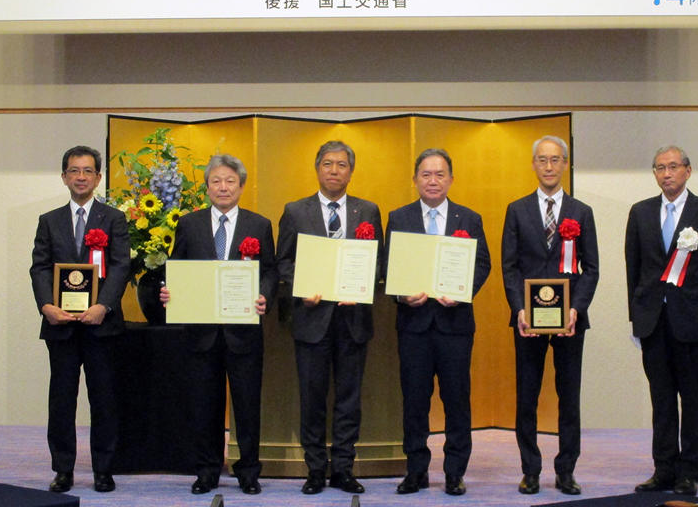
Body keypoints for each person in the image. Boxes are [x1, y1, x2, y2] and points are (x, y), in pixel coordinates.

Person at [159, 154, 277, 495]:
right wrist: (170, 292)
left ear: (241, 186)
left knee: (247, 405)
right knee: (204, 404)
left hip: (244, 332)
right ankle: (207, 470)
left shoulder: (259, 225)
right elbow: (177, 268)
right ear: (207, 187)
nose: (223, 187)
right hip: (201, 333)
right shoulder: (189, 224)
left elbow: (268, 270)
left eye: (230, 181)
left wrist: (264, 296)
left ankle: (248, 471)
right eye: (216, 181)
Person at [275, 140, 384, 495]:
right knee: (313, 397)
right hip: (312, 319)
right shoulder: (295, 211)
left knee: (349, 399)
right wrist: (300, 287)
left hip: (353, 321)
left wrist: (362, 284)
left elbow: (377, 261)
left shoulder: (368, 211)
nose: (334, 170)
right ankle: (315, 470)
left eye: (341, 165)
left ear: (351, 171)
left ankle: (343, 469)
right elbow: (284, 262)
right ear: (317, 168)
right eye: (327, 164)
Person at [625, 146, 698, 497]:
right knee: (662, 400)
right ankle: (664, 470)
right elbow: (634, 270)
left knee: (692, 399)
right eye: (659, 168)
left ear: (688, 170)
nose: (666, 174)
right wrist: (635, 319)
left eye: (673, 167)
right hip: (653, 322)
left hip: (693, 322)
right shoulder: (639, 213)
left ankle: (689, 473)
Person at [385, 148, 491, 497]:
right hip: (413, 325)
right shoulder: (398, 217)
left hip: (454, 325)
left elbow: (482, 264)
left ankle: (454, 472)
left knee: (457, 400)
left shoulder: (469, 218)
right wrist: (401, 294)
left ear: (451, 179)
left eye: (440, 174)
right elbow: (388, 267)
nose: (433, 180)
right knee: (414, 401)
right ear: (414, 179)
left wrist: (461, 292)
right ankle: (415, 471)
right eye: (426, 174)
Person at [501, 135, 599, 496]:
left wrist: (576, 308)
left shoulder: (581, 212)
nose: (548, 166)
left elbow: (591, 268)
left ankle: (566, 470)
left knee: (568, 396)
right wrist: (520, 308)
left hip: (570, 322)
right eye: (542, 159)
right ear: (533, 164)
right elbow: (509, 267)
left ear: (565, 164)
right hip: (528, 321)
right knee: (526, 396)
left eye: (555, 160)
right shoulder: (517, 209)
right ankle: (530, 470)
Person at [29, 145, 130, 493]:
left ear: (98, 177)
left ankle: (103, 469)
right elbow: (39, 267)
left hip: (101, 325)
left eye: (88, 171)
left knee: (103, 399)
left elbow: (120, 266)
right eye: (74, 171)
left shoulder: (114, 219)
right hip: (60, 326)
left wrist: (103, 305)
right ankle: (63, 470)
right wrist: (46, 306)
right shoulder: (49, 220)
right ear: (64, 177)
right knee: (61, 400)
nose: (81, 177)